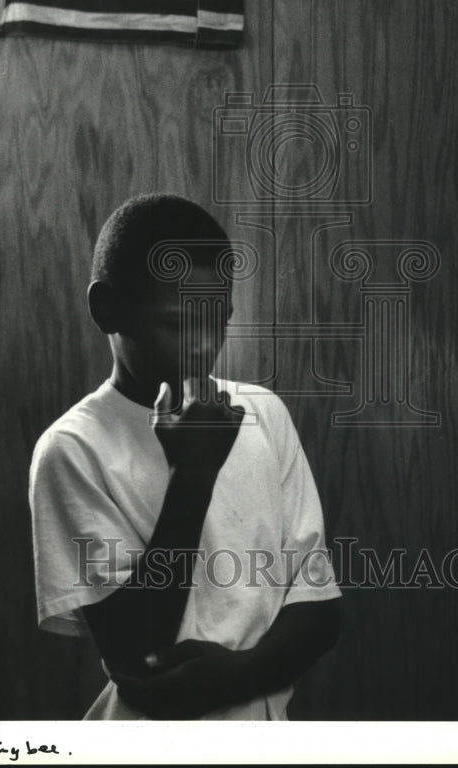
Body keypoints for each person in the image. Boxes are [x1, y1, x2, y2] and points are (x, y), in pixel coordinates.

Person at [29, 194, 341, 720]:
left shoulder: (261, 413)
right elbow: (133, 649)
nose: (202, 348)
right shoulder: (73, 448)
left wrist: (235, 677)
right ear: (107, 308)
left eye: (216, 321)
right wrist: (193, 473)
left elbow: (320, 609)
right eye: (177, 324)